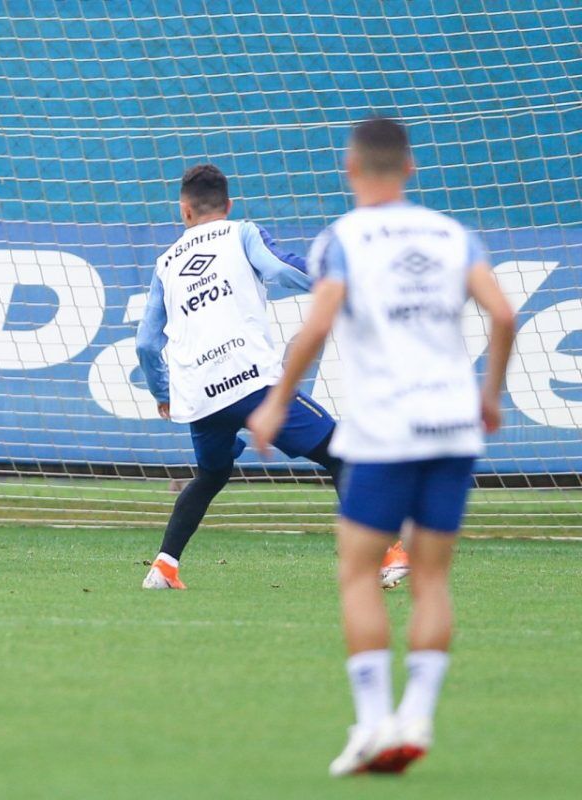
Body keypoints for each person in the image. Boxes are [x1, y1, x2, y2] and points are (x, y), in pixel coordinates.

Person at [248, 117, 515, 776]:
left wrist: (279, 402)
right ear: (410, 169)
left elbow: (316, 324)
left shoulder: (342, 239)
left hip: (386, 430)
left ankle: (373, 723)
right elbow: (504, 315)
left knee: (359, 571)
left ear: (350, 168)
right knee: (431, 577)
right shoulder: (453, 235)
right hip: (453, 424)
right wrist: (491, 395)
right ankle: (417, 719)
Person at [136, 163, 408, 590]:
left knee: (211, 475)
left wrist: (163, 392)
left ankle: (164, 567)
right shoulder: (241, 232)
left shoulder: (165, 264)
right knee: (339, 452)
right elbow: (282, 269)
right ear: (228, 205)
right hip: (250, 382)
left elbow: (146, 344)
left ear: (183, 211)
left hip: (201, 397)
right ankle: (389, 553)